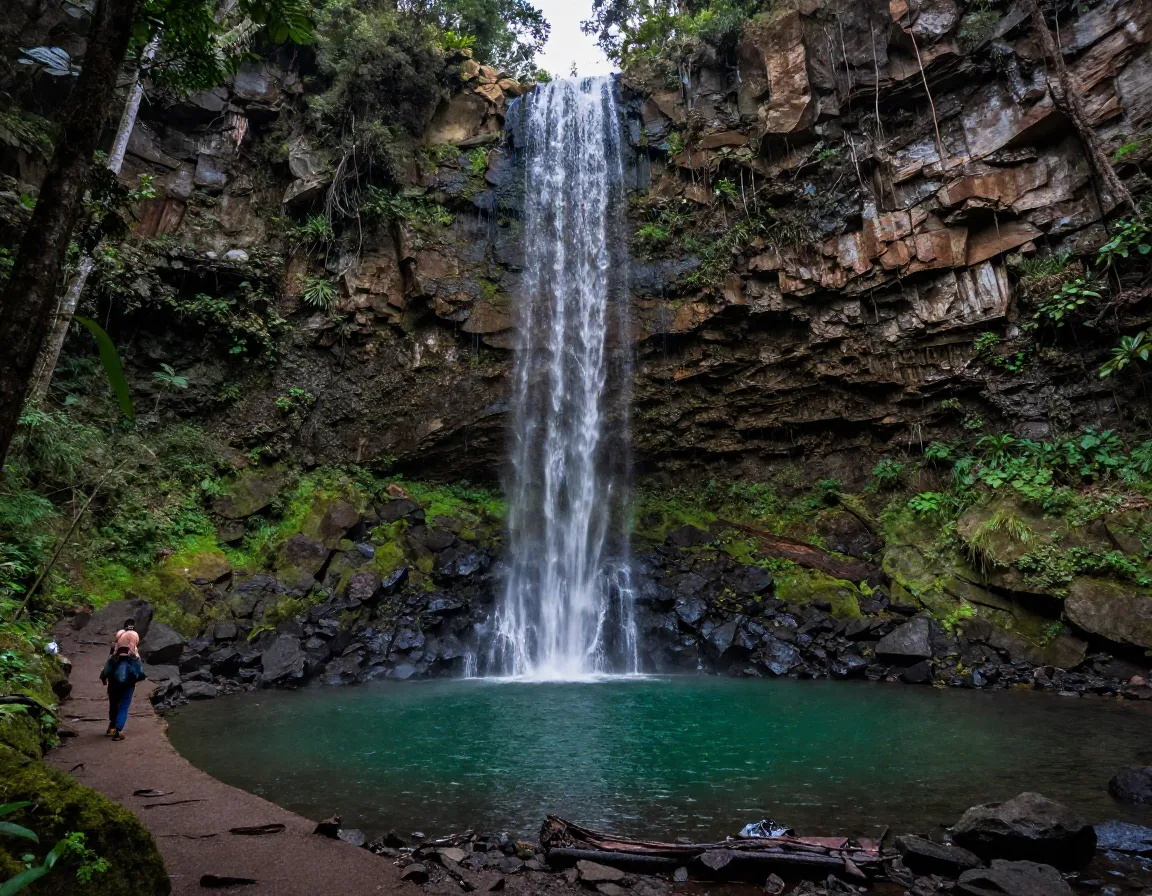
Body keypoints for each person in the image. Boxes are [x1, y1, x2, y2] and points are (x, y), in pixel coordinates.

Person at [100, 645, 144, 741]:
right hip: (128, 687)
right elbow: (141, 674)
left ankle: (112, 727)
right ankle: (118, 731)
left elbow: (105, 672)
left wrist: (104, 680)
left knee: (113, 705)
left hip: (113, 686)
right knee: (123, 707)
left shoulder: (113, 659)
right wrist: (134, 681)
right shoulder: (133, 660)